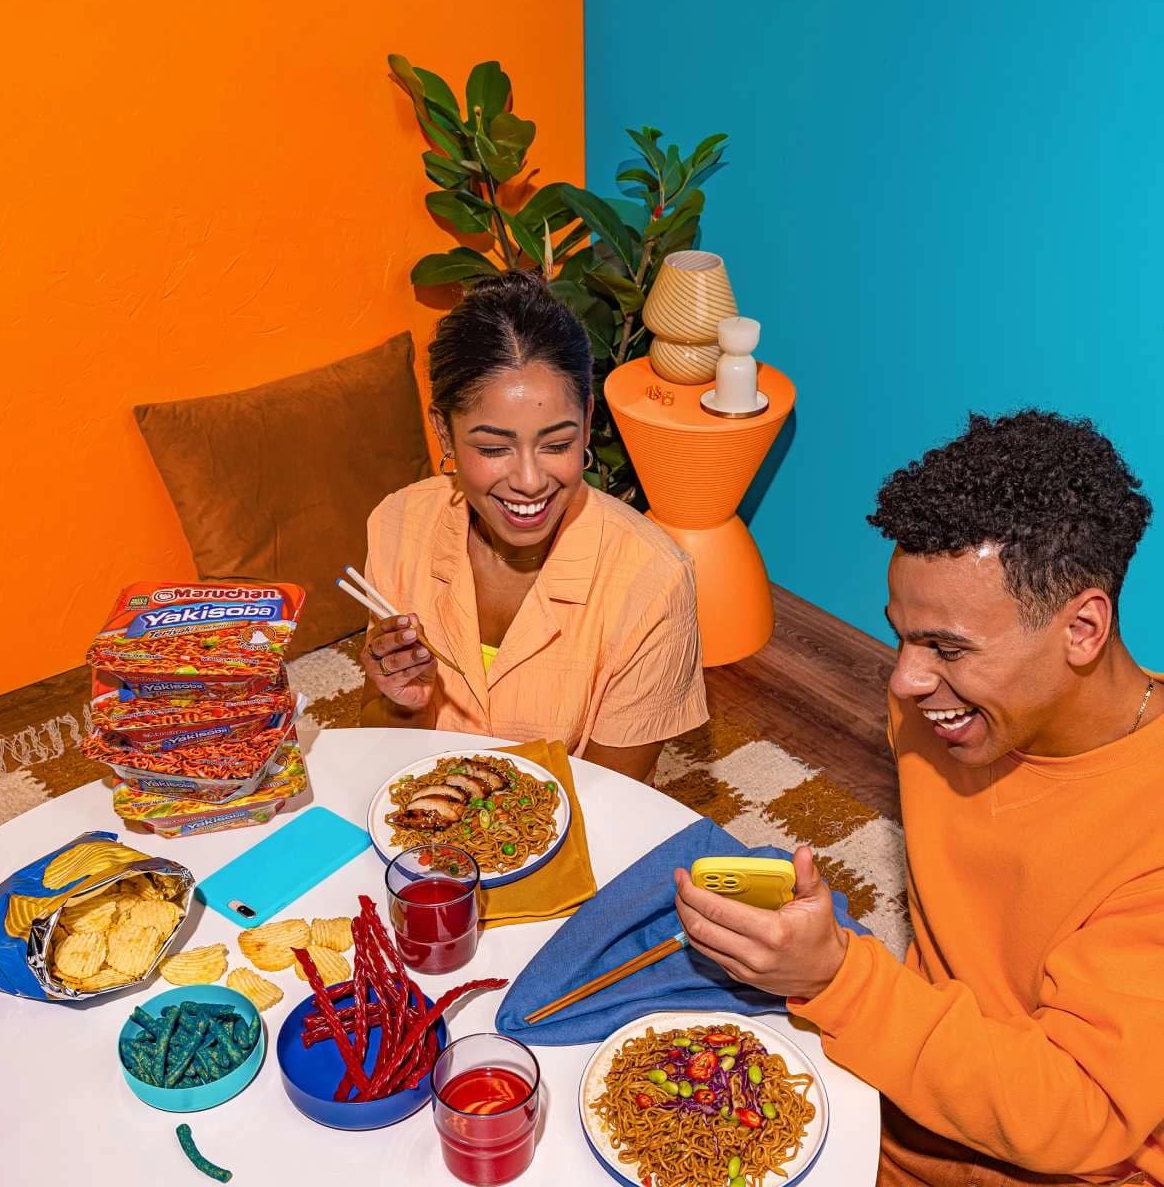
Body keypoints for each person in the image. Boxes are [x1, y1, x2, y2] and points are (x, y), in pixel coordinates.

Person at [673, 410, 1164, 1185]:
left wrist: (838, 978)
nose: (902, 681)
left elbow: (1082, 1115)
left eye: (947, 647)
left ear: (1083, 629)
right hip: (892, 1096)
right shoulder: (935, 711)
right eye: (902, 636)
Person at [359, 271, 708, 781]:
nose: (528, 481)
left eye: (557, 444)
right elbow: (377, 741)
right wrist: (403, 705)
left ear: (588, 421)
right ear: (444, 432)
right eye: (494, 448)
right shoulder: (399, 525)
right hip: (420, 815)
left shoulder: (652, 580)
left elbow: (614, 799)